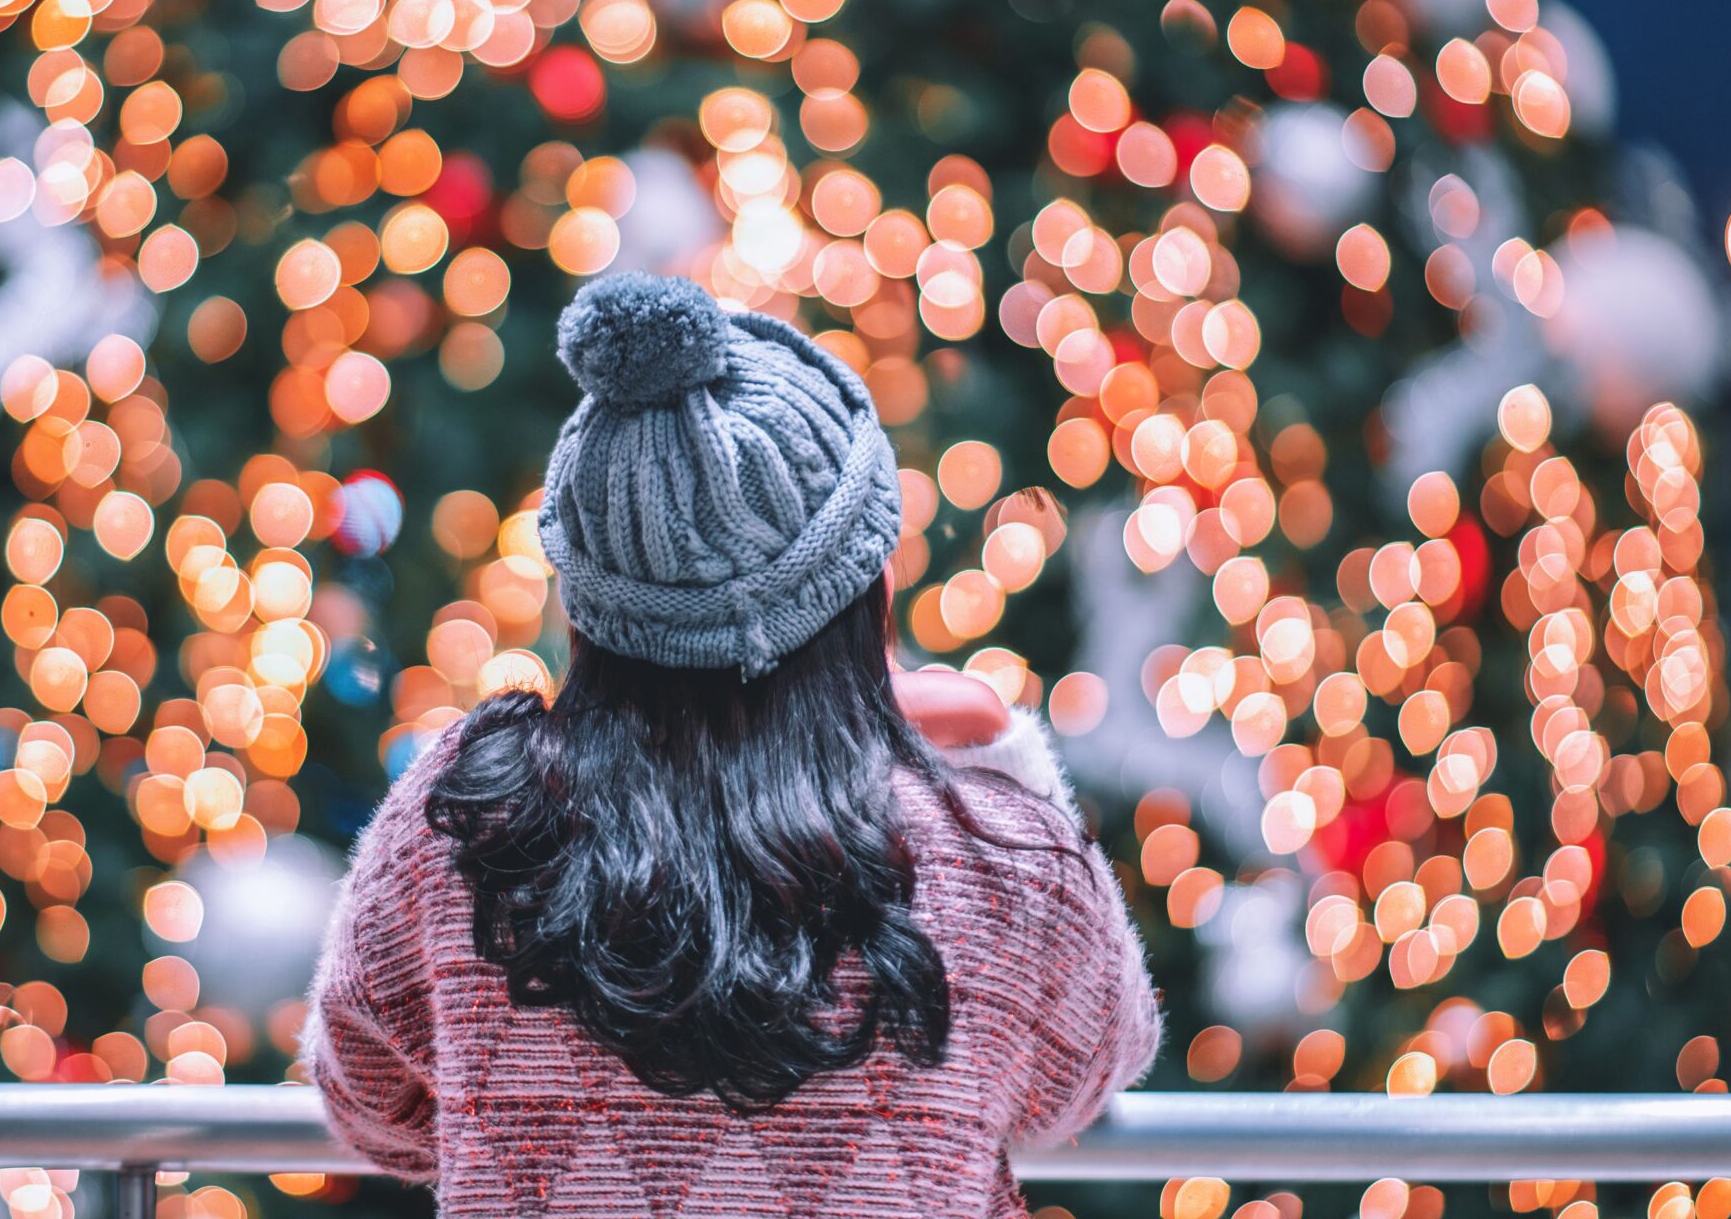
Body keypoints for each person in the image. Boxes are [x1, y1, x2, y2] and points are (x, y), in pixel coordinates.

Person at [304, 274, 1160, 1216]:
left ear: (585, 595)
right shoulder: (991, 854)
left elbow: (368, 1103)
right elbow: (1078, 1080)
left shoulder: (465, 824)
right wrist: (1002, 762)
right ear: (864, 584)